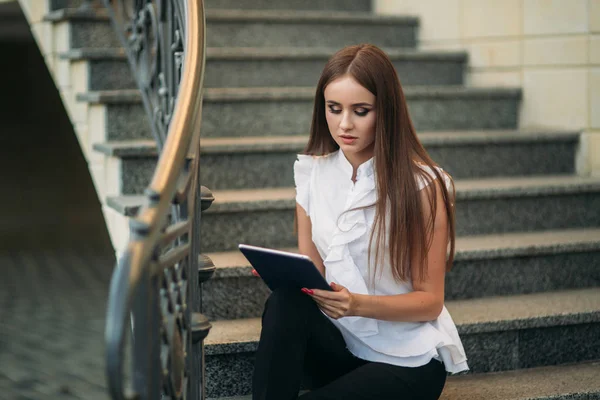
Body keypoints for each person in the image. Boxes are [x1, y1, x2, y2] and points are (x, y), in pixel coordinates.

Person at [251, 44, 469, 400]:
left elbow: (429, 301)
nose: (344, 124)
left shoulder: (424, 185)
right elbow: (317, 278)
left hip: (406, 359)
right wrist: (286, 274)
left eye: (361, 111)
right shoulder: (311, 175)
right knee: (286, 300)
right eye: (333, 109)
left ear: (386, 112)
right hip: (341, 344)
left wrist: (356, 304)